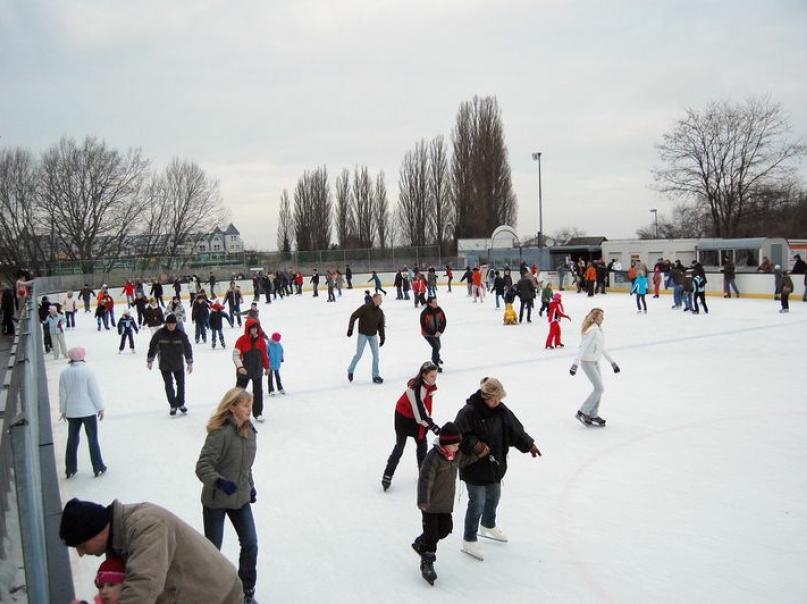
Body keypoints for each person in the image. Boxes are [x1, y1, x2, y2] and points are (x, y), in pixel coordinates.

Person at [59, 497, 242, 603]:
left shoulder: (146, 526)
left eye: (81, 545)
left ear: (97, 531)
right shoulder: (116, 540)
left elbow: (142, 589)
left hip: (220, 597)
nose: (81, 553)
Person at [454, 377, 541, 561]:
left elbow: (515, 431)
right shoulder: (468, 412)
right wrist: (476, 445)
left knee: (494, 496)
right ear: (486, 397)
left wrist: (529, 445)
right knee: (476, 503)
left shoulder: (501, 411)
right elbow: (458, 436)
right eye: (495, 399)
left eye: (500, 399)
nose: (498, 402)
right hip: (474, 466)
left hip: (495, 464)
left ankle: (488, 524)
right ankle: (469, 538)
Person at [196, 388, 259, 604]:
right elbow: (203, 466)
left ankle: (246, 591)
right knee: (212, 550)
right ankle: (208, 592)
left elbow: (245, 466)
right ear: (232, 407)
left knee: (250, 543)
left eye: (250, 404)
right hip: (216, 499)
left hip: (240, 497)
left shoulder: (250, 431)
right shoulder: (220, 433)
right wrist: (220, 482)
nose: (249, 409)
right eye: (244, 405)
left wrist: (250, 486)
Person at [412, 422, 488, 585]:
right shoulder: (433, 457)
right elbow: (426, 479)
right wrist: (423, 500)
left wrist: (479, 455)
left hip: (445, 504)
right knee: (432, 536)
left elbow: (465, 461)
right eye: (454, 444)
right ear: (445, 444)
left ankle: (421, 542)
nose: (457, 447)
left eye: (458, 444)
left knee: (446, 529)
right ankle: (427, 562)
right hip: (430, 505)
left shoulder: (456, 455)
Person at [382, 361, 440, 492]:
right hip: (403, 418)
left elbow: (425, 409)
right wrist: (433, 426)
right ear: (424, 375)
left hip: (417, 418)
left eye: (435, 376)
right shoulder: (414, 390)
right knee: (399, 447)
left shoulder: (428, 387)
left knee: (422, 444)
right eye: (432, 376)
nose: (434, 379)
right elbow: (420, 415)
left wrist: (430, 423)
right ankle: (387, 475)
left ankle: (423, 473)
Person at [59, 347, 106, 478]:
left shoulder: (64, 373)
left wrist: (63, 410)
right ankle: (98, 466)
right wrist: (100, 408)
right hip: (88, 410)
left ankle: (70, 468)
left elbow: (62, 394)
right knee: (92, 439)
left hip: (72, 412)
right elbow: (94, 392)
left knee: (72, 439)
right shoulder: (88, 372)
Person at [569, 308, 620, 426]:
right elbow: (583, 347)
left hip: (595, 362)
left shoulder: (598, 330)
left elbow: (601, 347)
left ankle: (593, 414)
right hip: (587, 362)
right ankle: (582, 412)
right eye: (601, 316)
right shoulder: (592, 331)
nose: (603, 318)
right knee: (599, 388)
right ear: (595, 317)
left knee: (599, 389)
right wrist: (575, 364)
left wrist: (612, 363)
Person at [147, 313, 193, 416]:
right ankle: (173, 405)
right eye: (169, 324)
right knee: (168, 385)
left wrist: (189, 362)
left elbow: (187, 348)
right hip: (165, 364)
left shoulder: (181, 334)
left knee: (181, 385)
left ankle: (181, 404)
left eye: (173, 324)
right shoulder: (160, 333)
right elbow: (153, 346)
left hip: (178, 364)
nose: (171, 326)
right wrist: (150, 360)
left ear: (176, 324)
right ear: (166, 324)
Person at [233, 318, 269, 422]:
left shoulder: (261, 341)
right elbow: (236, 355)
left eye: (256, 328)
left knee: (258, 392)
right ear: (248, 329)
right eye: (252, 329)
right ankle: (233, 412)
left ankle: (258, 413)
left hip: (257, 371)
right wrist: (240, 367)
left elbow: (264, 356)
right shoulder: (241, 340)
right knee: (239, 393)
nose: (254, 330)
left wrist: (267, 367)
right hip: (244, 372)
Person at [346, 293, 385, 384]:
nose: (381, 301)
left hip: (373, 336)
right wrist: (350, 329)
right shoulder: (365, 308)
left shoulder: (380, 312)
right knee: (359, 354)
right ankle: (350, 370)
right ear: (374, 299)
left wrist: (382, 338)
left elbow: (381, 326)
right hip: (363, 335)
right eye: (379, 299)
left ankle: (375, 376)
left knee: (376, 356)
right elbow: (353, 316)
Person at [420, 296, 446, 371]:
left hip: (437, 332)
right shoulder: (424, 313)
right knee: (436, 347)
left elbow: (444, 321)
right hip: (427, 334)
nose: (436, 303)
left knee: (439, 346)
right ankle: (435, 364)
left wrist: (440, 331)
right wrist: (433, 333)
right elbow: (424, 326)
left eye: (436, 302)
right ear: (430, 303)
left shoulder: (439, 310)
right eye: (434, 302)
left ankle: (436, 357)